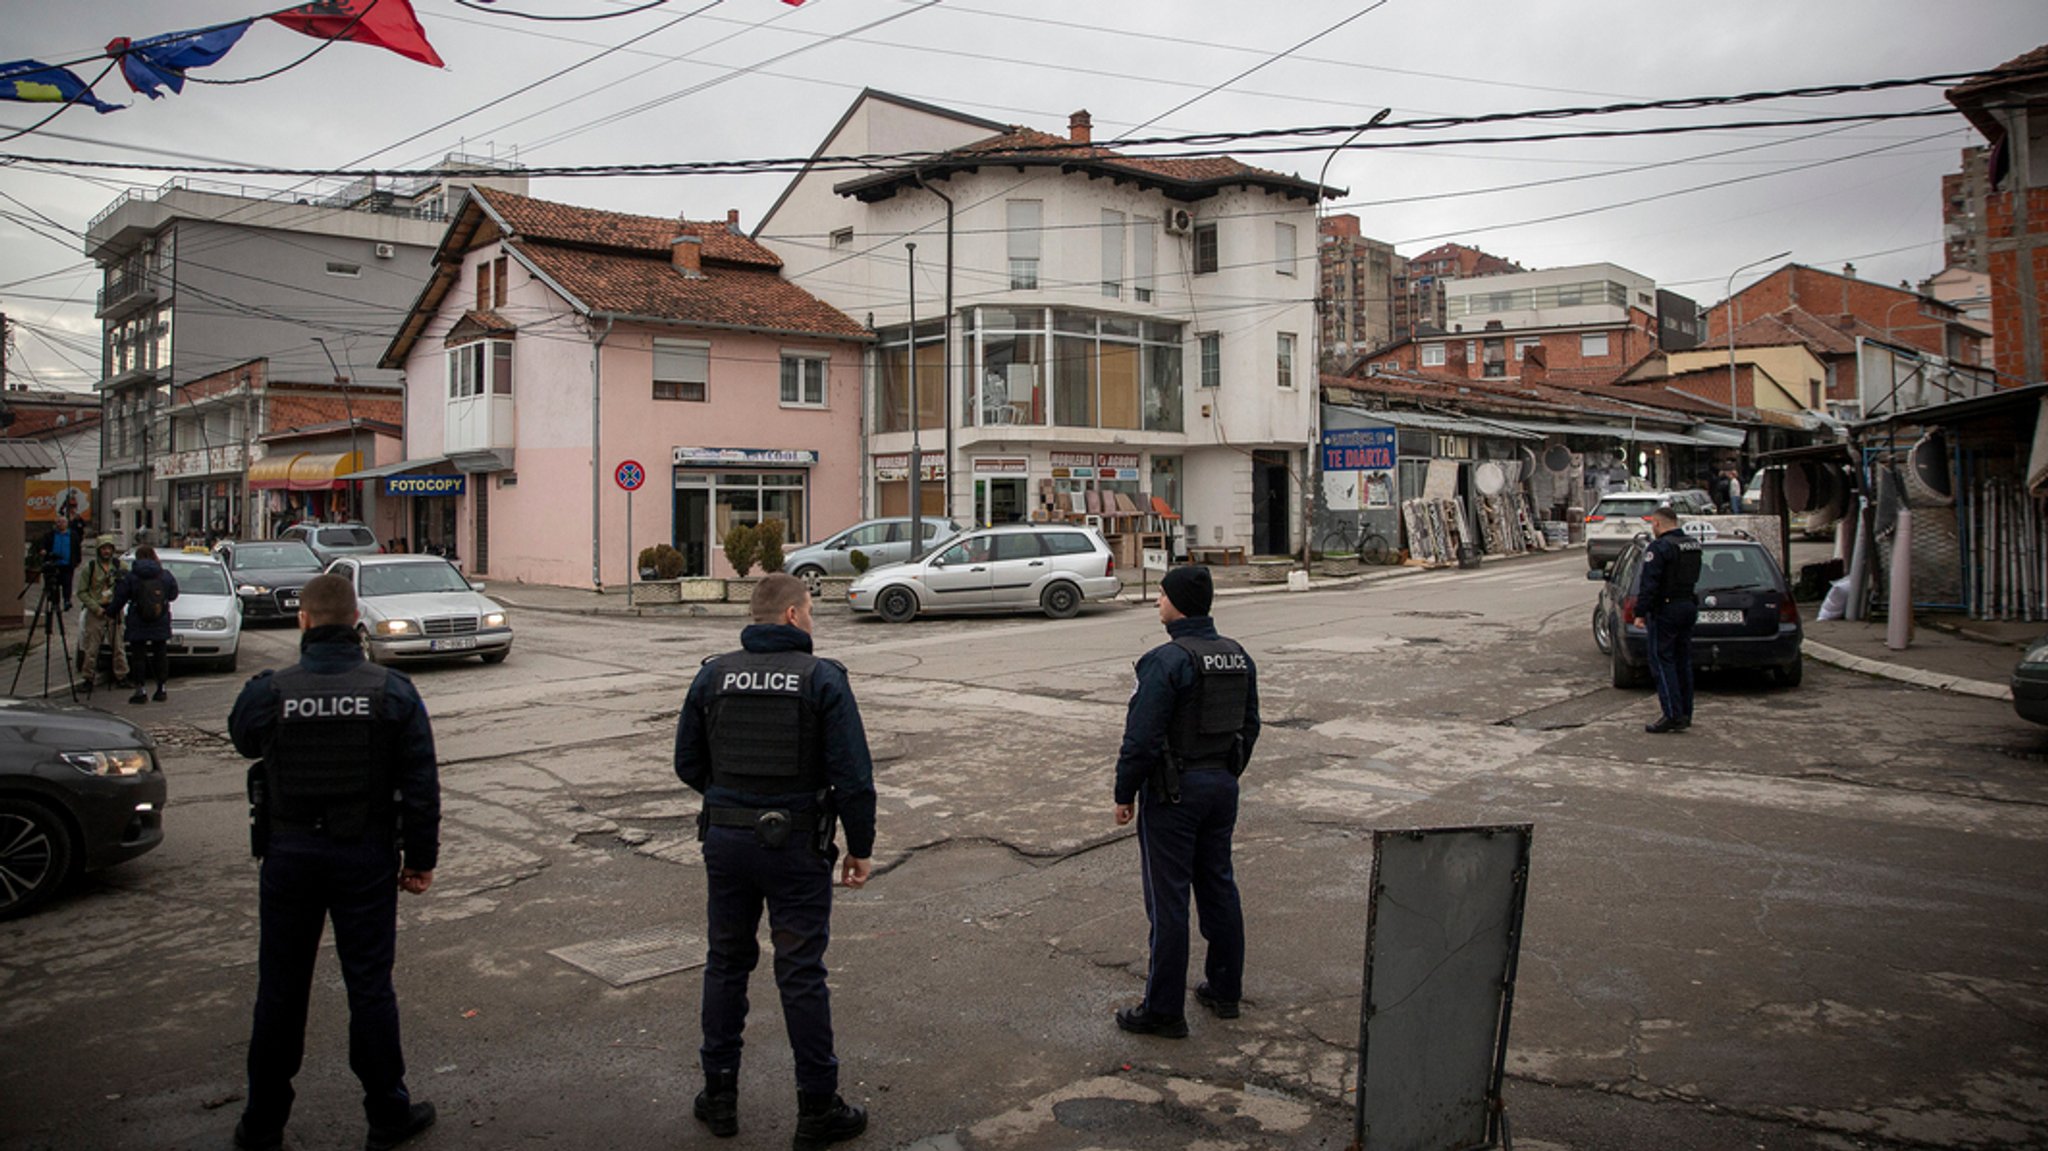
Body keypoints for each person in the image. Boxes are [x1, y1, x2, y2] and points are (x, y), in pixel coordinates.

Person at [227, 573, 441, 1151]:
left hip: (290, 854)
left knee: (280, 988)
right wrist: (420, 859)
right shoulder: (391, 690)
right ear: (355, 621)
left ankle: (263, 1123)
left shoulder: (272, 691)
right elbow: (421, 784)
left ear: (303, 621)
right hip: (364, 855)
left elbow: (242, 738)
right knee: (369, 985)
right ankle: (387, 1114)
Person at [675, 572, 876, 1149]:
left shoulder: (712, 674)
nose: (812, 620)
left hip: (727, 843)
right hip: (795, 844)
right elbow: (853, 778)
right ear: (792, 616)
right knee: (801, 972)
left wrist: (730, 799)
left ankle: (719, 1098)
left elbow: (687, 762)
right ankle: (817, 1109)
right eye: (810, 610)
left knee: (725, 963)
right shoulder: (822, 679)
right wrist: (859, 848)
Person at [1111, 564, 1259, 1038]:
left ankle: (1163, 1010)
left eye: (1162, 594)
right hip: (1221, 786)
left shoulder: (1166, 661)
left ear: (1179, 603)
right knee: (1218, 887)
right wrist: (1227, 772)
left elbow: (1142, 738)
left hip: (1174, 793)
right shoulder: (1237, 655)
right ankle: (1224, 990)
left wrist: (1124, 792)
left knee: (1168, 900)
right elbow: (1250, 726)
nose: (1157, 600)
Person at [1633, 506, 1703, 734]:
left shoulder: (1660, 547)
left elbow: (1650, 583)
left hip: (1666, 608)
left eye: (1653, 524)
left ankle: (1672, 714)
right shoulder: (1692, 544)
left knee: (1663, 661)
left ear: (1657, 524)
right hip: (1688, 605)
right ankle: (1685, 713)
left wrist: (1640, 613)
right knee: (1683, 661)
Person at [107, 544, 179, 704]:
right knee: (160, 654)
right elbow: (173, 594)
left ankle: (140, 689)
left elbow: (120, 597)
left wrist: (110, 612)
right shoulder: (164, 574)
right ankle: (161, 688)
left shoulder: (132, 576)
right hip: (159, 618)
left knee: (138, 656)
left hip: (137, 619)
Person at [72, 535, 131, 688]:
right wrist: (95, 607)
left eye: (109, 548)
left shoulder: (120, 566)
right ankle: (88, 677)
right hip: (96, 610)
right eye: (103, 548)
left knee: (118, 646)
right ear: (99, 550)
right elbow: (82, 592)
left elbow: (128, 585)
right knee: (92, 647)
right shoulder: (90, 568)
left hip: (114, 610)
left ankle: (121, 675)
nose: (106, 551)